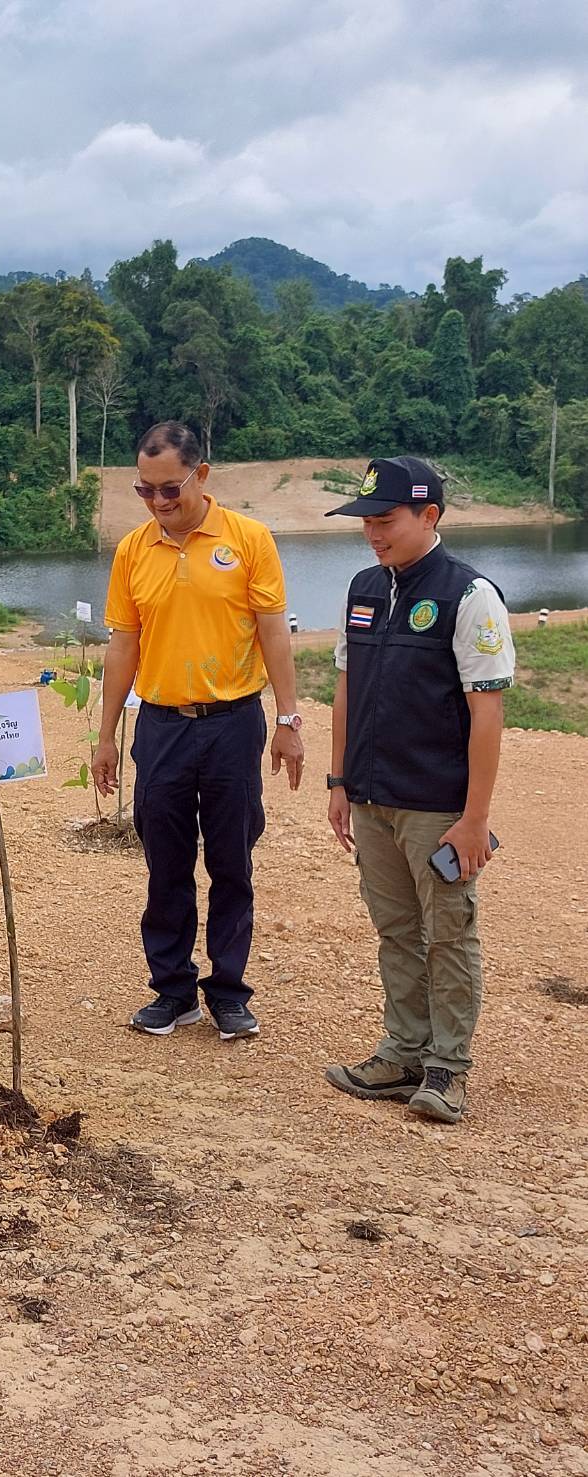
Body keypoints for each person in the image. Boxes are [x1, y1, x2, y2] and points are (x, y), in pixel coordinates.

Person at [93, 421, 304, 1040]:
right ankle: (173, 990)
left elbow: (273, 634)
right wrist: (106, 736)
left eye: (170, 489)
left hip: (234, 724)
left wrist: (289, 719)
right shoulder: (133, 550)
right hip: (160, 726)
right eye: (146, 491)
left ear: (201, 475)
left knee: (233, 860)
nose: (159, 502)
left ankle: (230, 992)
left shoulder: (249, 540)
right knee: (166, 862)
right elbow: (122, 646)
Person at [323, 456, 515, 1125]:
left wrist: (474, 817)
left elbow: (487, 711)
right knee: (397, 931)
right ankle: (401, 1053)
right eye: (366, 522)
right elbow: (346, 687)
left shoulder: (471, 596)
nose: (372, 533)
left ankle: (447, 1069)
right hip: (372, 796)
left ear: (428, 515)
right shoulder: (363, 587)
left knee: (448, 935)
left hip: (438, 804)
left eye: (385, 520)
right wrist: (339, 778)